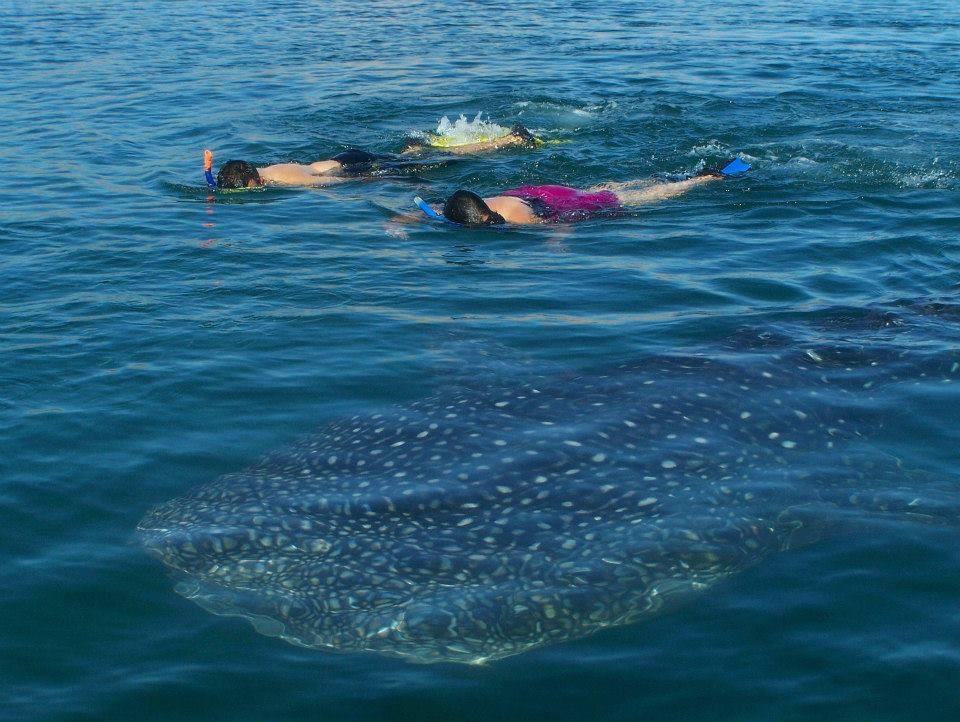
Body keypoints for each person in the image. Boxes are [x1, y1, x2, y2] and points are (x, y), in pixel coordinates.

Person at [426, 160, 750, 225]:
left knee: (640, 198)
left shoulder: (514, 218)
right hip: (537, 190)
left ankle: (705, 178)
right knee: (608, 189)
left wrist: (558, 239)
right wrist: (397, 222)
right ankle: (674, 173)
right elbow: (426, 207)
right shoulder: (455, 206)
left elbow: (560, 220)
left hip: (550, 202)